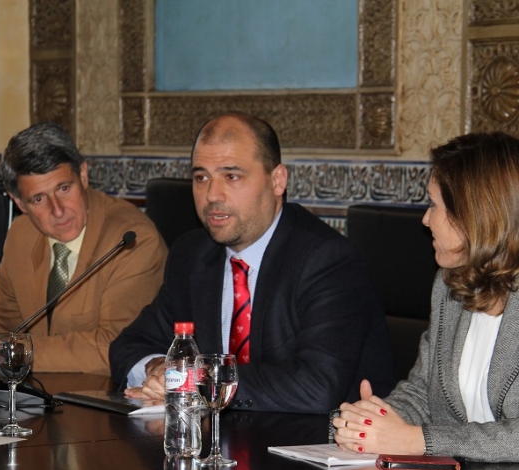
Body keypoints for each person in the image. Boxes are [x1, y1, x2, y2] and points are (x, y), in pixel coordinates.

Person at [333, 131, 519, 463]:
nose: (426, 220)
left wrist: (417, 440)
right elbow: (423, 393)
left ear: (475, 214)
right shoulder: (452, 281)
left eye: (434, 205)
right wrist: (368, 423)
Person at [108, 111, 395, 413]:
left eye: (232, 176)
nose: (211, 195)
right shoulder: (192, 255)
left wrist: (195, 381)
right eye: (201, 177)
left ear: (277, 180)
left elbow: (317, 387)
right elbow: (128, 345)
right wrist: (158, 367)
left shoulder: (327, 261)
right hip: (218, 444)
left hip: (314, 447)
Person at [0, 123, 168, 375]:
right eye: (38, 199)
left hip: (108, 403)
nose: (58, 210)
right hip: (34, 400)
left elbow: (114, 347)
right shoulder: (22, 235)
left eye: (64, 188)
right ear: (19, 202)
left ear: (84, 176)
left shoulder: (133, 241)